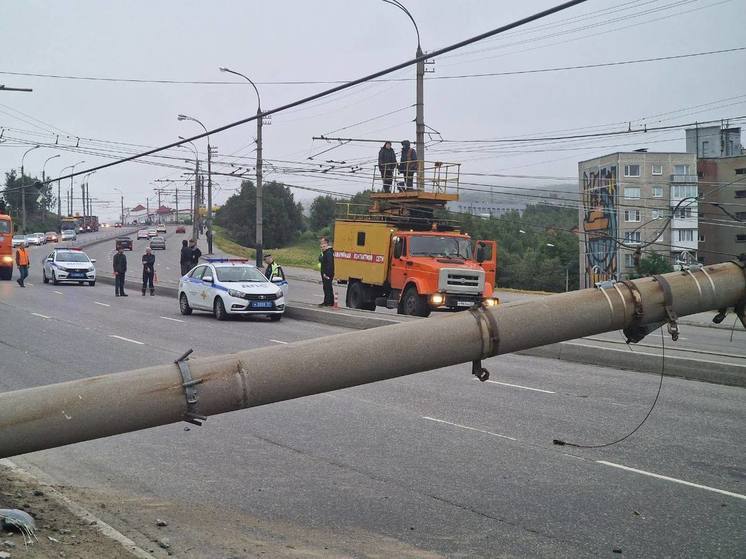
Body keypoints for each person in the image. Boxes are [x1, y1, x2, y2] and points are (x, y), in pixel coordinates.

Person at [318, 236, 334, 307]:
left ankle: (328, 302)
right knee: (327, 287)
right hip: (325, 272)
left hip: (327, 273)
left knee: (327, 287)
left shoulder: (328, 252)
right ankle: (329, 302)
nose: (321, 245)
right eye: (321, 243)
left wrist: (326, 273)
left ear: (326, 243)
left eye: (322, 243)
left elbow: (329, 263)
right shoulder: (325, 252)